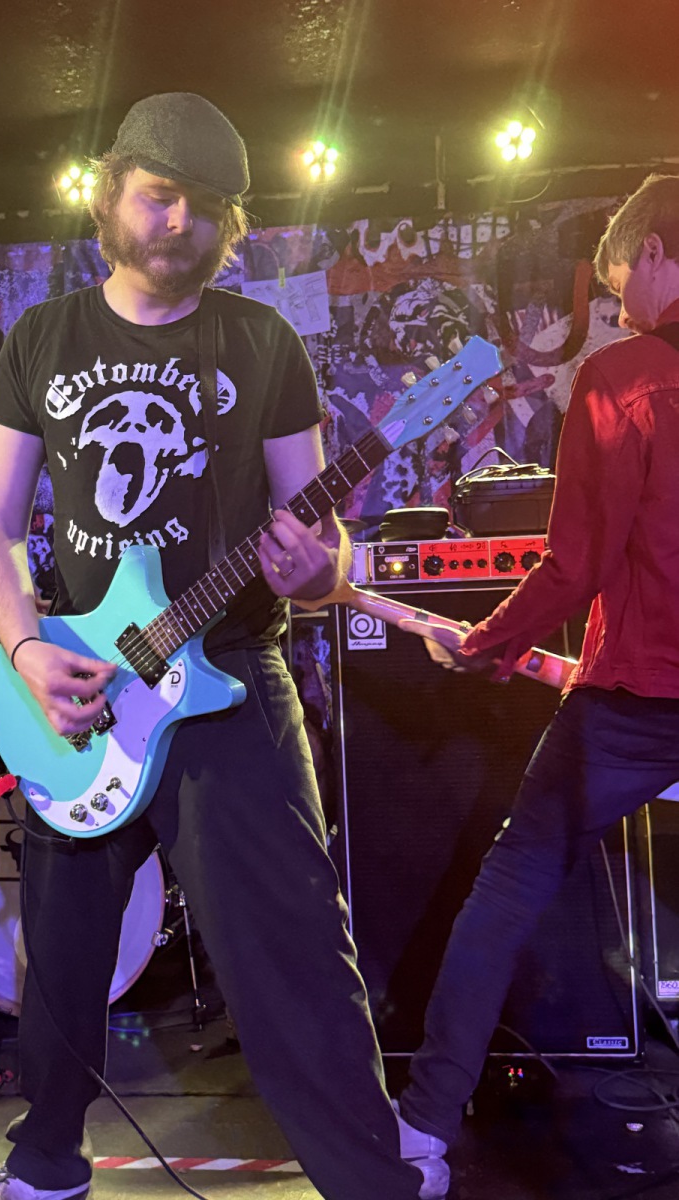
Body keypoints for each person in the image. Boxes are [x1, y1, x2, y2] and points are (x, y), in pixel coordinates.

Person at [0, 93, 422, 1200]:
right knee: (61, 953)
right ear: (111, 193)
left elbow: (323, 541)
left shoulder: (262, 343)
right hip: (82, 680)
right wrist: (26, 651)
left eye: (207, 207)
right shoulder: (43, 339)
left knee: (293, 944)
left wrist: (316, 570)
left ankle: (372, 1180)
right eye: (161, 196)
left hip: (230, 677)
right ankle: (45, 1161)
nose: (180, 223)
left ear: (231, 226)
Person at [395, 172, 679, 1198]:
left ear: (654, 252)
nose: (617, 310)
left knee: (511, 887)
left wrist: (485, 642)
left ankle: (421, 1132)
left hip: (638, 700)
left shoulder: (623, 376)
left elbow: (577, 563)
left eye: (618, 284)